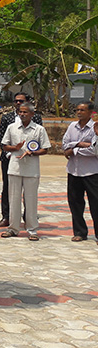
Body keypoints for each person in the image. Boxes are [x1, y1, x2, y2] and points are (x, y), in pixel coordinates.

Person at [1, 102, 50, 241]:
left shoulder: (39, 129)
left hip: (32, 169)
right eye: (20, 112)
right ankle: (13, 228)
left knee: (31, 200)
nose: (22, 114)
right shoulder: (12, 128)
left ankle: (32, 230)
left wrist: (33, 153)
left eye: (25, 112)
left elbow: (45, 148)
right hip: (15, 167)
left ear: (32, 114)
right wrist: (14, 147)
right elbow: (5, 145)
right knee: (13, 199)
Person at [0, 92, 42, 227]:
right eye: (16, 101)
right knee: (8, 189)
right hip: (9, 157)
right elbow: (1, 138)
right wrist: (11, 151)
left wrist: (31, 151)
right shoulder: (7, 118)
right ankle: (7, 217)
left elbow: (38, 141)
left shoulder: (36, 118)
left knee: (29, 191)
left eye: (21, 101)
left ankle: (29, 218)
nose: (18, 103)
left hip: (28, 158)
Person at [63, 101, 98, 242]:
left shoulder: (95, 128)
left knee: (95, 204)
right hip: (73, 171)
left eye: (82, 110)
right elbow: (65, 144)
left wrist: (74, 150)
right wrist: (78, 144)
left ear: (90, 112)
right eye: (77, 110)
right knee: (75, 203)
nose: (79, 112)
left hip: (91, 172)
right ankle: (79, 232)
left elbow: (94, 150)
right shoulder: (72, 126)